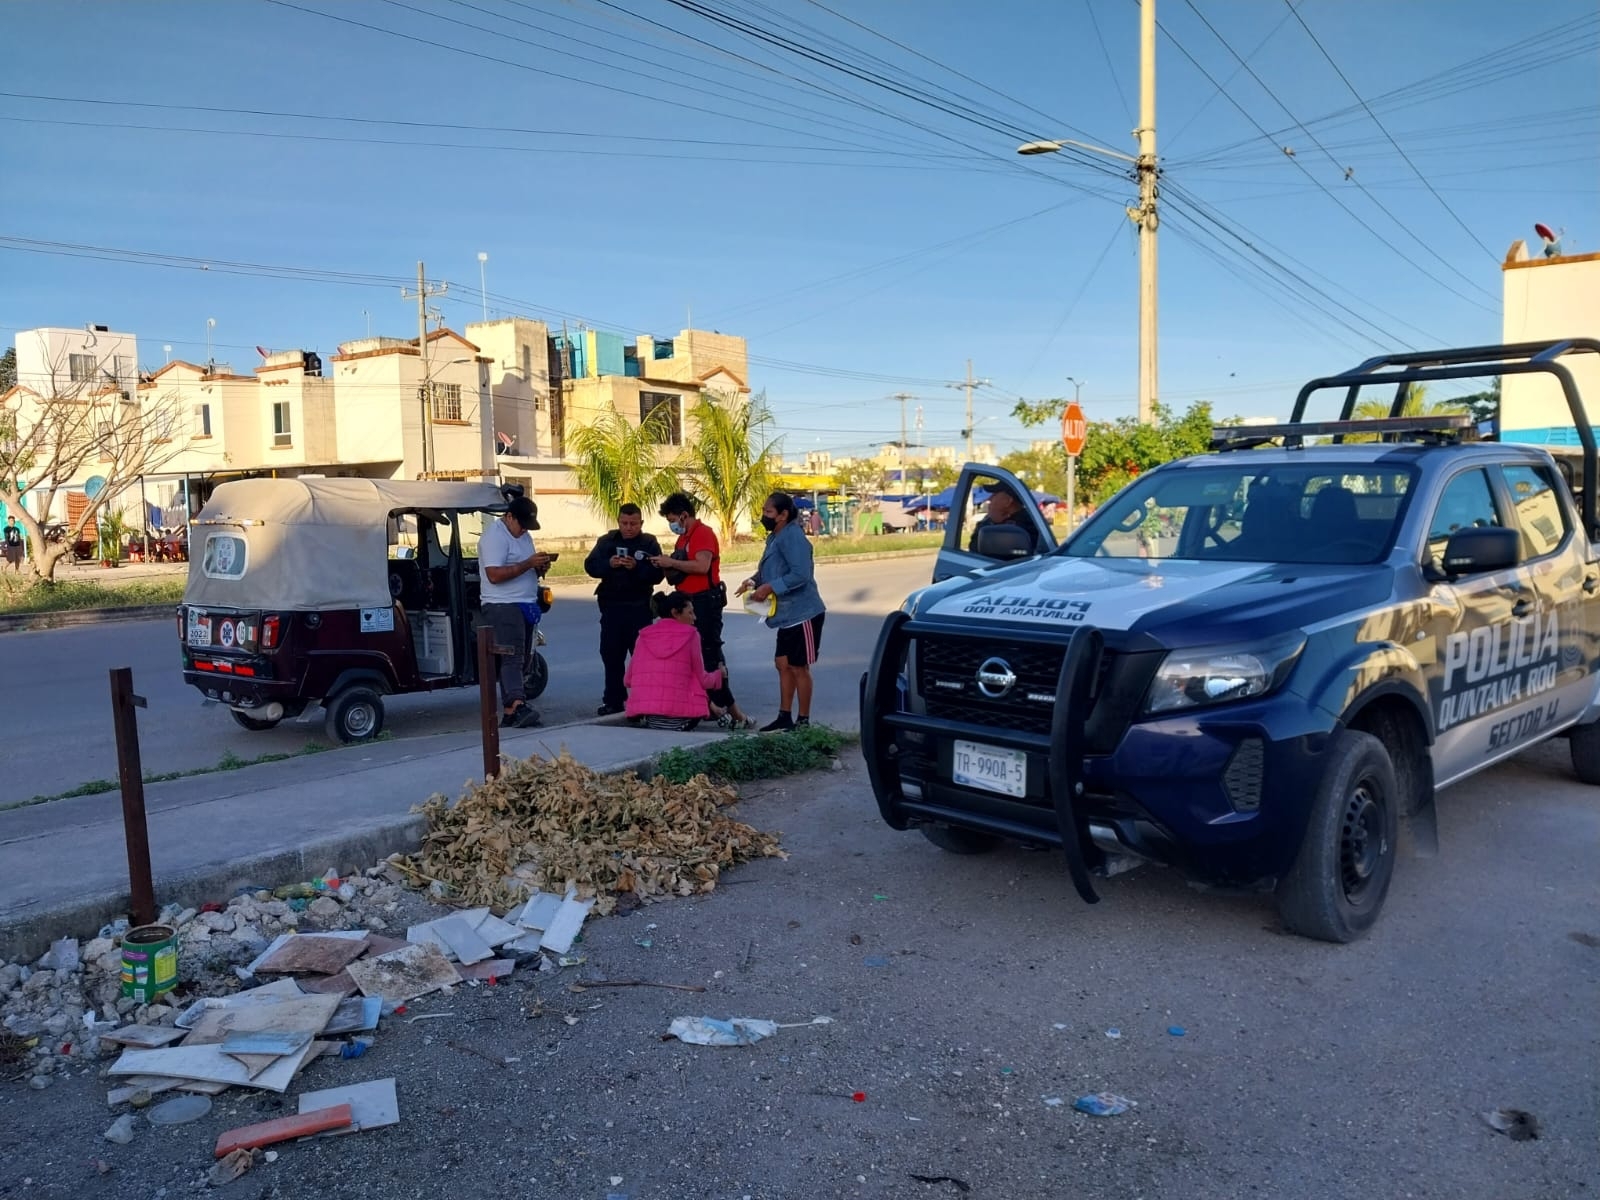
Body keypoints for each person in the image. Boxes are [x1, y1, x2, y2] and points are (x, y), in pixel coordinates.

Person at [647, 492, 755, 730]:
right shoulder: (683, 538)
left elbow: (702, 565)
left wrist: (671, 563)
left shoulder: (702, 534)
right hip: (687, 601)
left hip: (705, 602)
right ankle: (711, 707)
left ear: (684, 516)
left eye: (673, 519)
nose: (672, 525)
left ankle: (734, 711)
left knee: (710, 655)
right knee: (691, 657)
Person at [739, 491, 826, 732]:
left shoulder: (793, 537)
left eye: (768, 512)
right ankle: (784, 715)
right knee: (782, 664)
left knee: (799, 667)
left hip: (803, 613)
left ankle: (804, 721)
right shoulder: (774, 537)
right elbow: (771, 570)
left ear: (783, 515)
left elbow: (801, 575)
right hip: (785, 616)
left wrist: (769, 587)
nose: (763, 516)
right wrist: (753, 581)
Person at [584, 502, 664, 716]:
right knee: (611, 655)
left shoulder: (649, 542)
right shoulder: (606, 541)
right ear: (618, 522)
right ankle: (613, 700)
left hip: (639, 608)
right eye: (624, 523)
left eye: (633, 524)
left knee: (641, 659)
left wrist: (637, 567)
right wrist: (609, 564)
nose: (628, 528)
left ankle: (643, 702)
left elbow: (658, 574)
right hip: (612, 608)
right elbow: (590, 566)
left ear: (641, 523)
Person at [478, 494, 550, 728]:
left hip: (524, 603)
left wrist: (538, 567)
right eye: (522, 525)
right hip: (503, 604)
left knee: (523, 658)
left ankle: (511, 711)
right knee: (512, 656)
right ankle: (516, 704)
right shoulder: (494, 538)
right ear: (509, 517)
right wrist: (527, 564)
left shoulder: (524, 535)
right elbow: (494, 575)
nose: (524, 531)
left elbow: (525, 566)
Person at [623, 590, 724, 730]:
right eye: (690, 613)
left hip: (651, 718)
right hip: (683, 719)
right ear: (675, 612)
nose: (694, 618)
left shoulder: (644, 635)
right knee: (695, 676)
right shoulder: (691, 635)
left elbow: (628, 680)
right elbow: (703, 680)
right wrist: (720, 675)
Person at [969, 483, 1041, 556]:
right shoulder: (992, 519)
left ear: (1008, 501)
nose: (989, 499)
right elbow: (974, 547)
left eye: (995, 494)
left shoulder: (1025, 526)